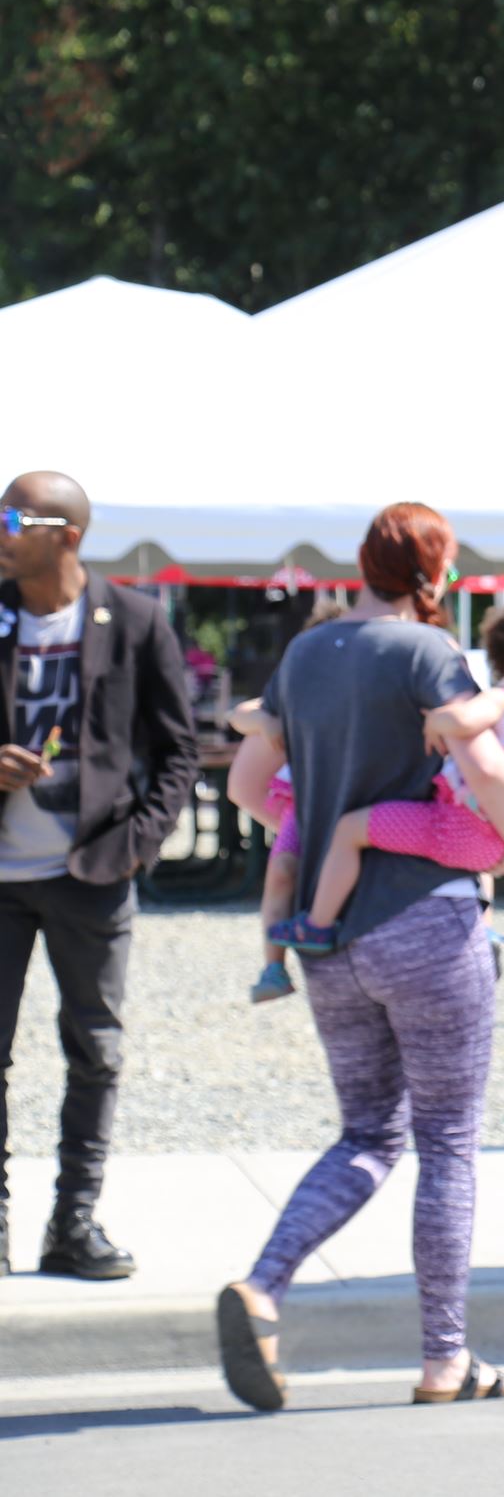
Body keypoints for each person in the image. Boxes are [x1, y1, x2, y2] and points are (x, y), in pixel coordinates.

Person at [216, 503, 504, 1411]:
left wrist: (318, 830)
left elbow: (248, 782)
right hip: (428, 925)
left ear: (361, 563)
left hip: (331, 938)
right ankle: (445, 1358)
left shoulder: (304, 655)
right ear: (433, 571)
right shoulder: (426, 653)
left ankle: (265, 1283)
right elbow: (489, 773)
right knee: (447, 1145)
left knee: (367, 1133)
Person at [0, 471, 196, 1281]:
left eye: (14, 516)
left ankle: (72, 1225)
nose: (1, 529)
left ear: (67, 534)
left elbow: (178, 748)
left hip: (94, 873)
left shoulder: (137, 618)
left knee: (96, 1051)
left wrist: (139, 843)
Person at [249, 601, 504, 970]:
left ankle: (316, 924)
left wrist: (438, 719)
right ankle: (484, 928)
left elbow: (468, 726)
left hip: (462, 829)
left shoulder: (502, 699)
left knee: (350, 829)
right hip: (501, 831)